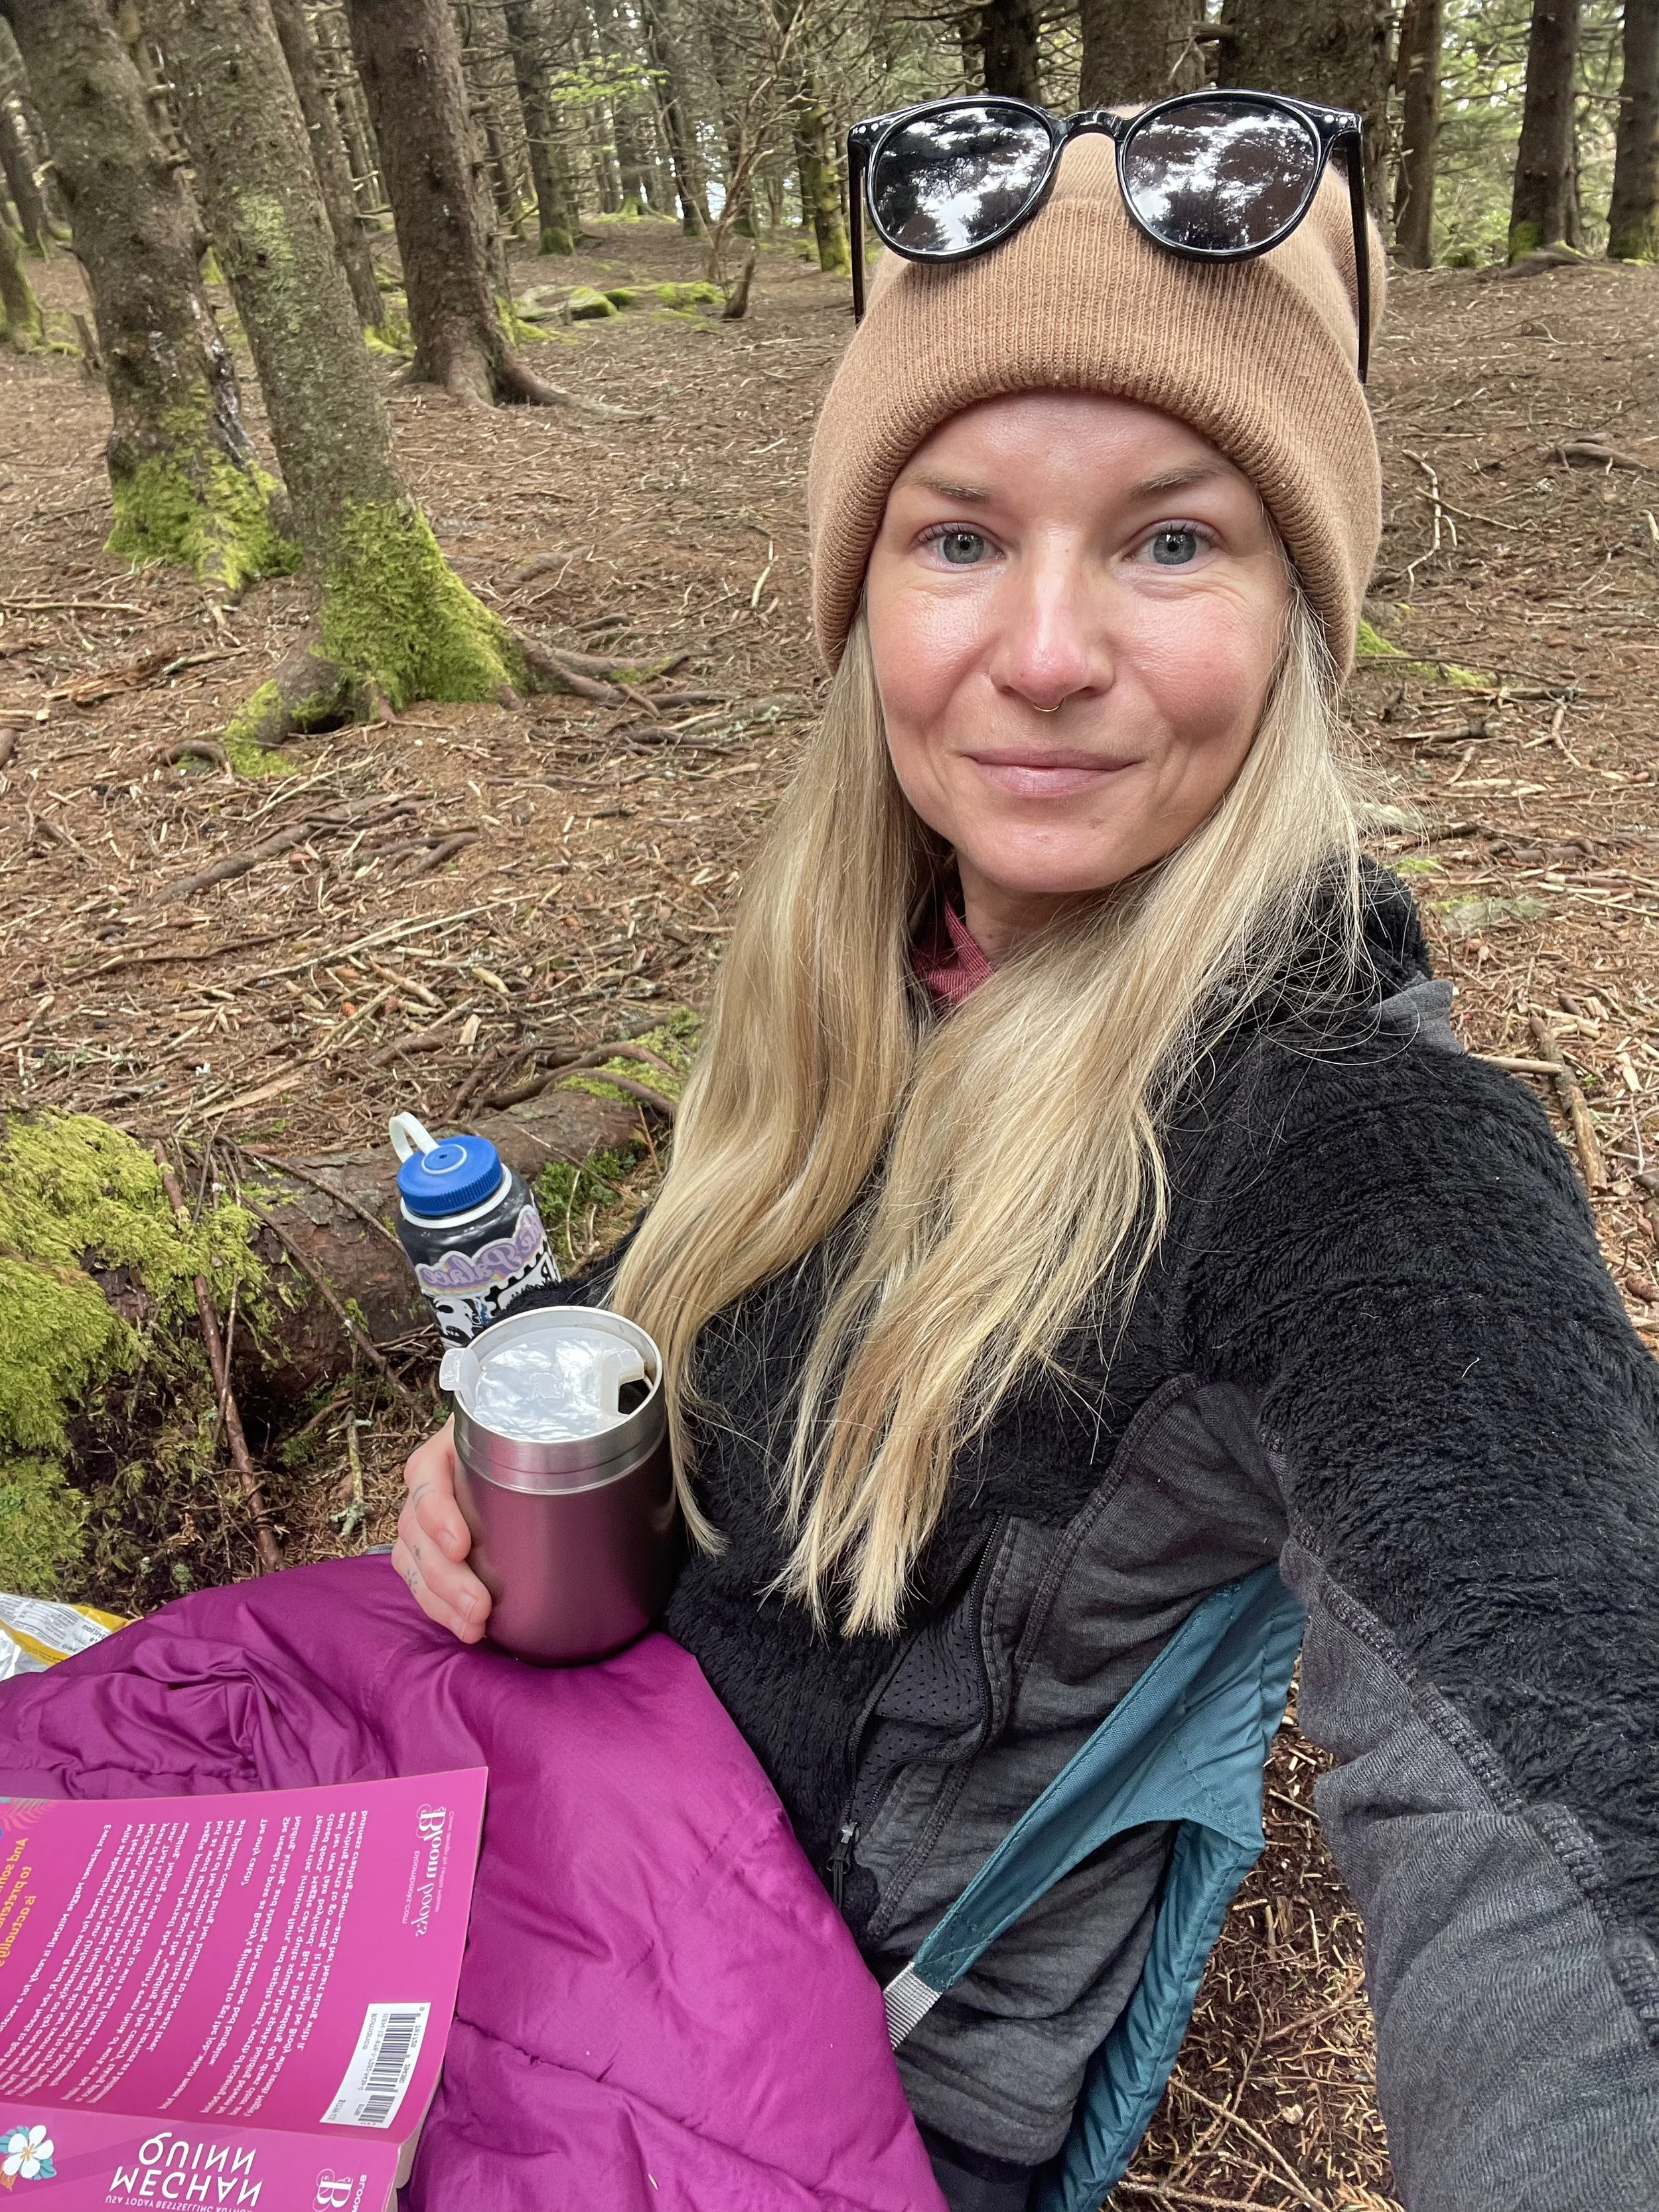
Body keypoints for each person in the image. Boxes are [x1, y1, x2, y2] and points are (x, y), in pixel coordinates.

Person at [394, 111, 1659, 2212]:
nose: (1048, 652)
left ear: (1294, 610)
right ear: (860, 591)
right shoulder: (863, 975)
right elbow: (724, 1313)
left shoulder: (1354, 1150)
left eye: (1170, 541)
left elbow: (1577, 1823)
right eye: (960, 537)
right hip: (577, 1855)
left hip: (803, 2078)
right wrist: (527, 1446)